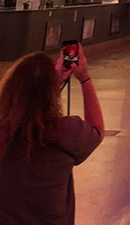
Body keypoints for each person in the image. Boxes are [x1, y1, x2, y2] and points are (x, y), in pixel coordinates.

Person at [0, 46, 103, 225]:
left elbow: (27, 108)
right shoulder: (66, 133)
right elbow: (97, 130)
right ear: (51, 94)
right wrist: (85, 79)